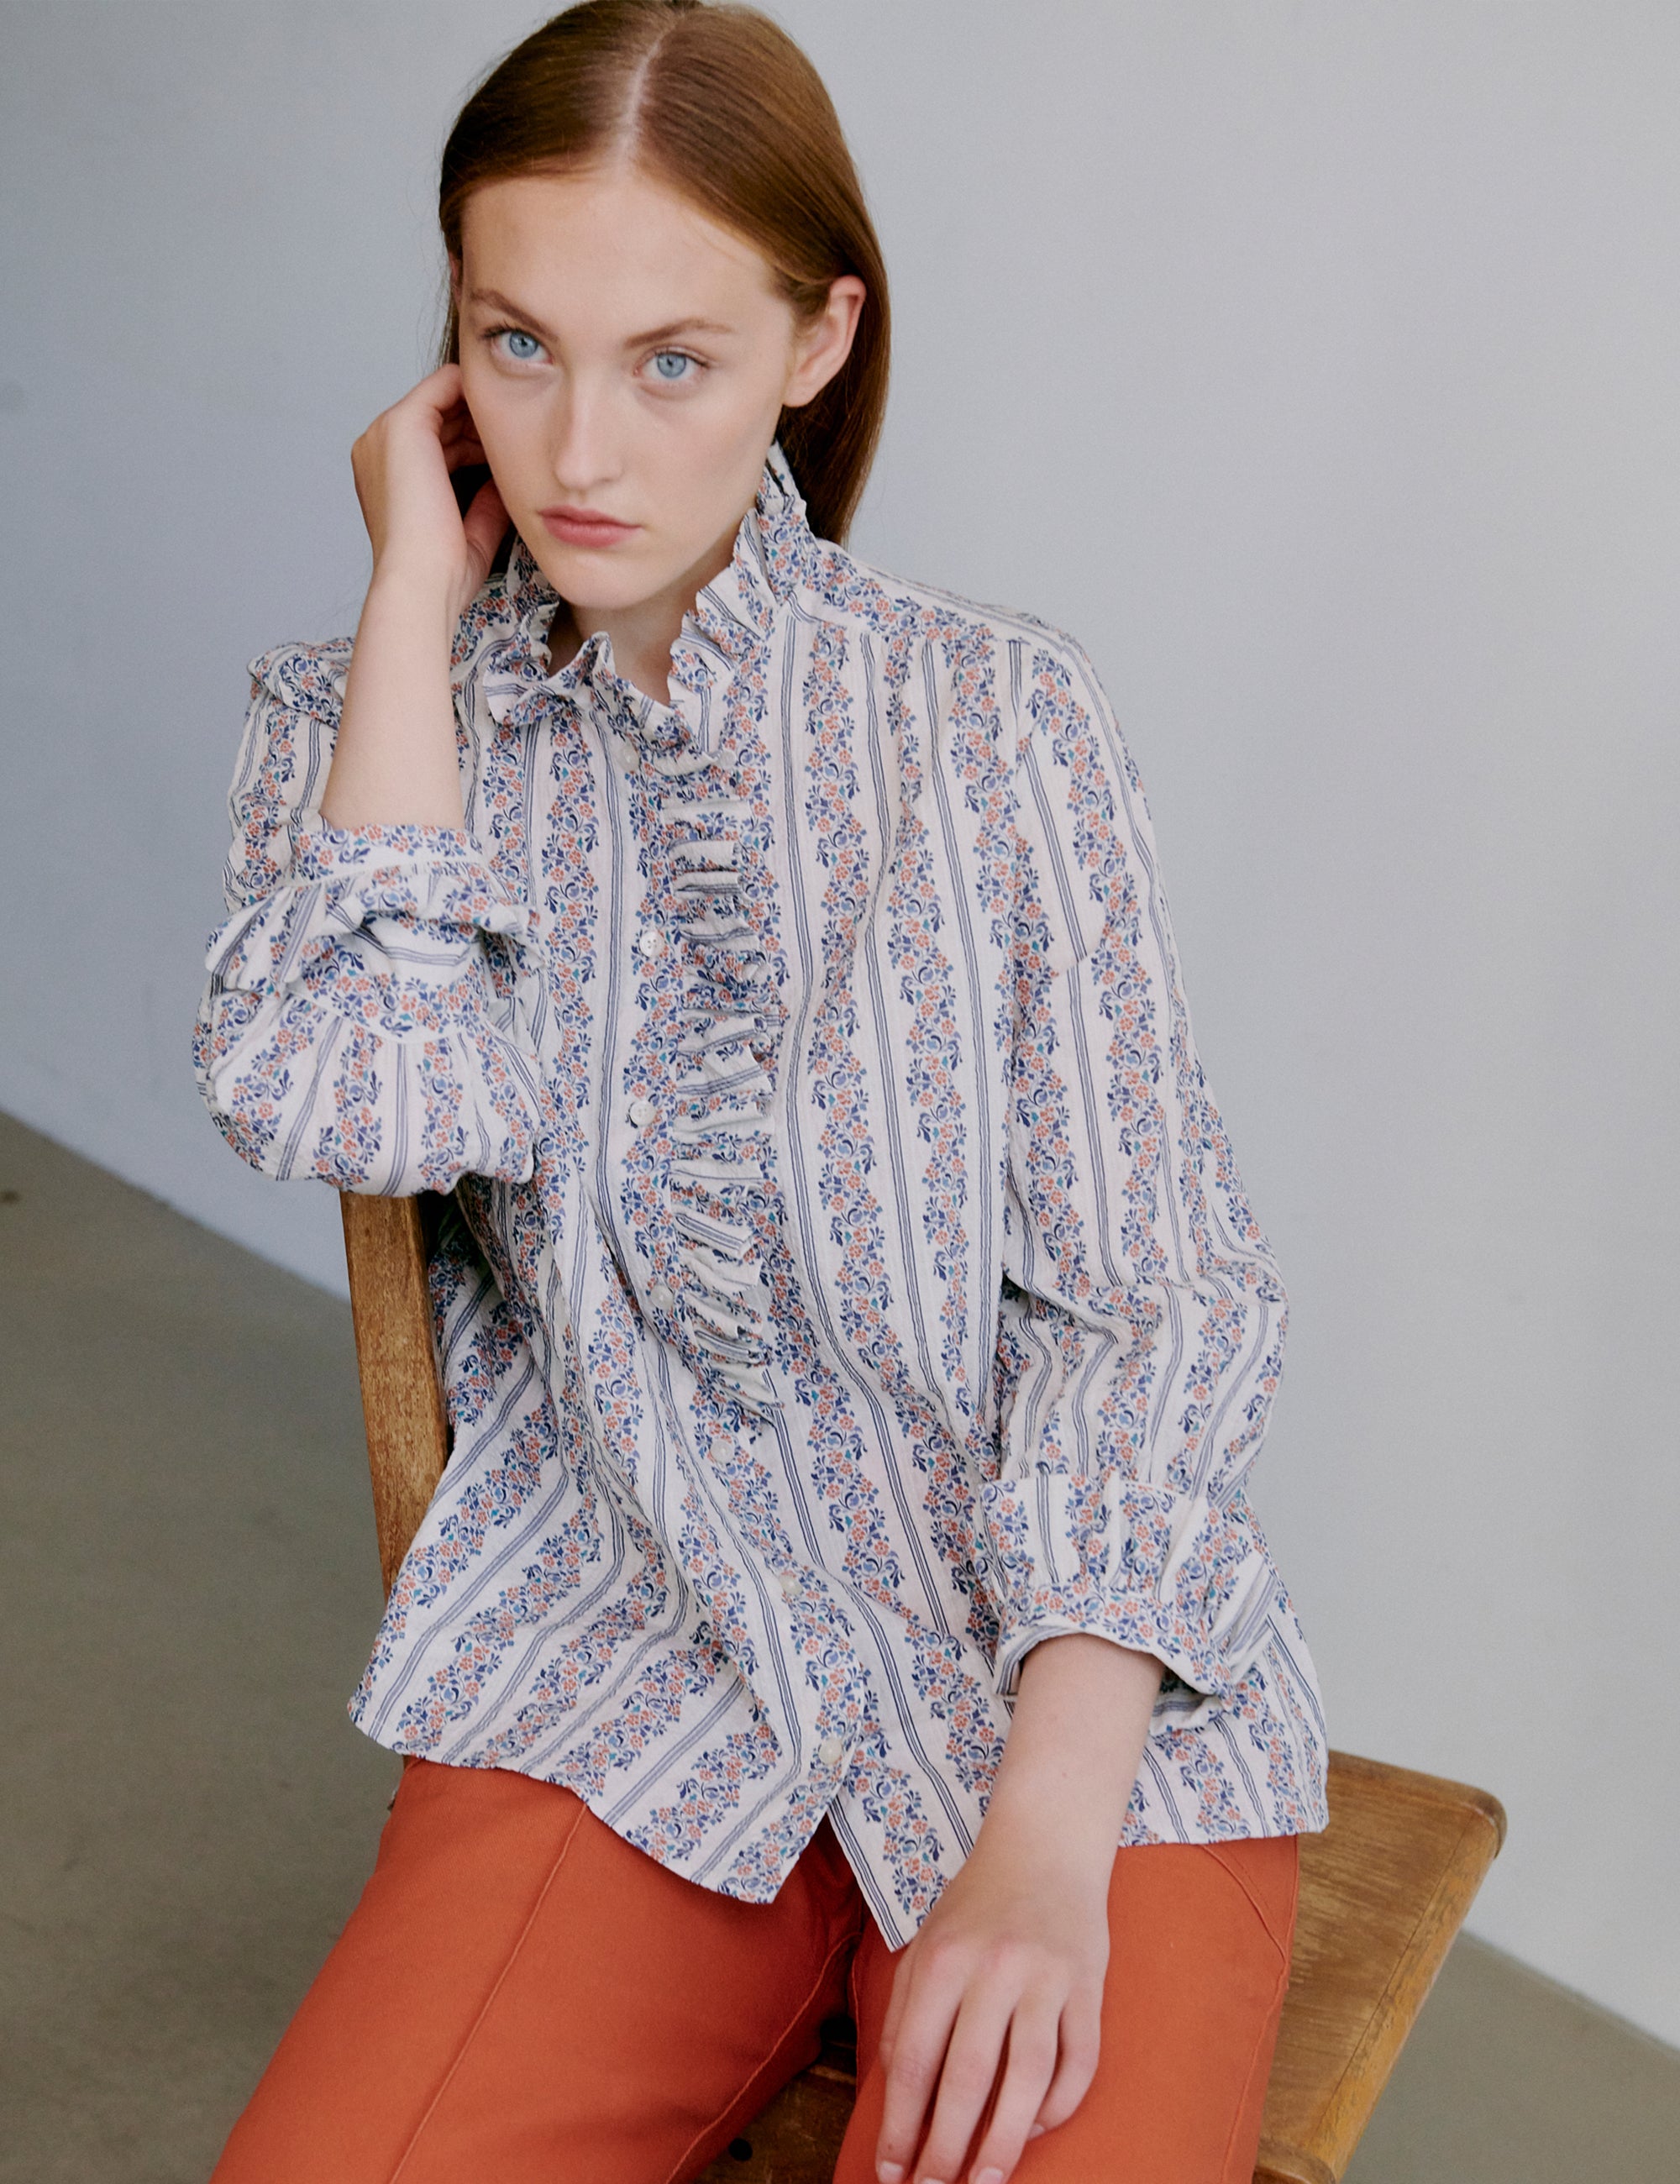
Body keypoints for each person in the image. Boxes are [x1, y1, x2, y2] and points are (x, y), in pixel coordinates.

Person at [193, 3, 1327, 2178]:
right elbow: (362, 1102)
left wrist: (1045, 1835)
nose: (579, 449)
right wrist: (416, 608)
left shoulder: (998, 728)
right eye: (514, 345)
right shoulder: (365, 729)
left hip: (1056, 1676)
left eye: (673, 361)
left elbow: (1153, 1300)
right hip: (623, 1667)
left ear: (818, 343)